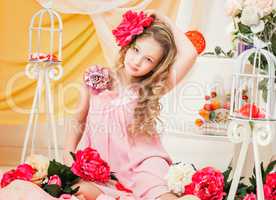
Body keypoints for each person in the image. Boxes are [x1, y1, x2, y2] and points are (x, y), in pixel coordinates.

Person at [0, 10, 203, 200]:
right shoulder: (96, 78)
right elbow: (77, 121)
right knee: (80, 190)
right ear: (128, 44)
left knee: (156, 192)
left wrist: (160, 16)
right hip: (103, 170)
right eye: (136, 49)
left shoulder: (152, 87)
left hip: (143, 165)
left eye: (148, 59)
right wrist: (68, 160)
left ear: (156, 66)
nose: (137, 61)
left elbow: (190, 53)